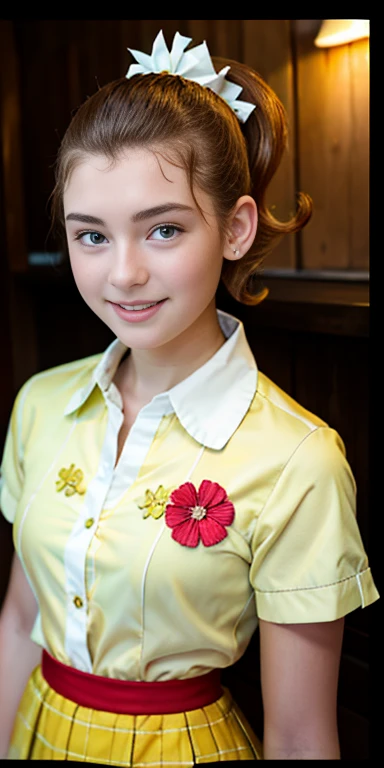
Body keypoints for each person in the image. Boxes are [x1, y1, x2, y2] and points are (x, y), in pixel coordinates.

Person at [0, 28, 379, 764]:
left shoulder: (298, 460)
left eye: (163, 229)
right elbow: (19, 621)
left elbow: (301, 735)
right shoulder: (40, 404)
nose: (123, 274)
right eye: (91, 237)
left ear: (235, 227)